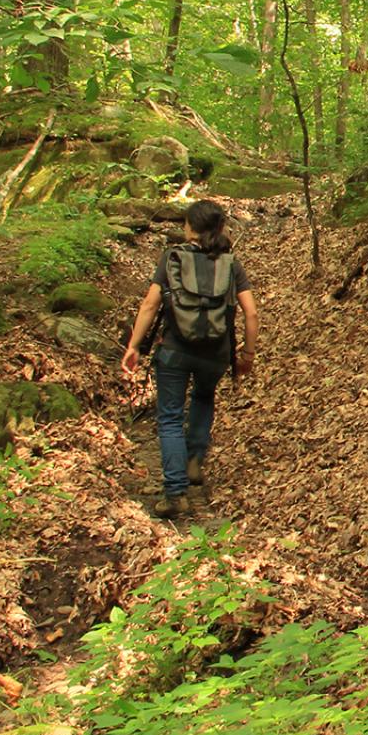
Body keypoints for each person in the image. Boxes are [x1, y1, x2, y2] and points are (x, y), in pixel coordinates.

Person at [121, 201, 258, 519]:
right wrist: (247, 354)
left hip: (175, 350)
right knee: (203, 397)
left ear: (189, 228)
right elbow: (251, 313)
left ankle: (175, 493)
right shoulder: (230, 263)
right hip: (216, 353)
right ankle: (194, 459)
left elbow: (149, 306)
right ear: (219, 229)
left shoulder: (172, 258)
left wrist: (134, 345)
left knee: (169, 417)